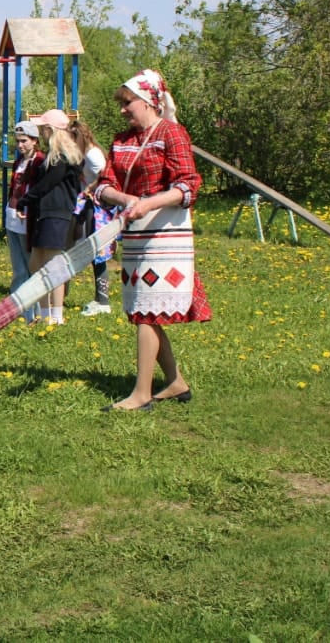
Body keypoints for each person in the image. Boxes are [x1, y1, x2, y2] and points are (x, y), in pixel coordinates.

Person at [94, 69, 210, 412]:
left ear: (147, 102)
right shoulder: (121, 140)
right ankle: (174, 382)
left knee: (146, 312)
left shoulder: (171, 134)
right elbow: (103, 185)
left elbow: (188, 184)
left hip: (166, 236)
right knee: (147, 312)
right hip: (136, 236)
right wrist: (125, 199)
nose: (123, 110)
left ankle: (141, 393)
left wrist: (148, 202)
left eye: (127, 103)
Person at [19, 108, 84, 325]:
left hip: (58, 214)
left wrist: (25, 199)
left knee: (53, 266)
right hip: (44, 214)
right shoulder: (52, 157)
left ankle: (56, 316)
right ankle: (44, 312)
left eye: (44, 129)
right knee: (36, 263)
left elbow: (47, 184)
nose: (42, 133)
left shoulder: (64, 158)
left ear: (50, 129)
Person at [71, 117, 114, 316]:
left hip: (97, 208)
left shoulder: (93, 155)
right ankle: (99, 297)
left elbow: (104, 175)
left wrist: (89, 188)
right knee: (93, 251)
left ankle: (103, 300)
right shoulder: (85, 154)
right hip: (88, 205)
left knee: (98, 253)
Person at [4, 120, 44, 324]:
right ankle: (17, 308)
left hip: (27, 219)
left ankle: (33, 311)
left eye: (24, 141)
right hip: (12, 217)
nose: (20, 145)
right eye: (18, 141)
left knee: (31, 266)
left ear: (34, 141)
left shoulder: (39, 161)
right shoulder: (20, 161)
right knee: (18, 267)